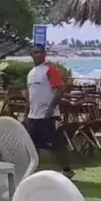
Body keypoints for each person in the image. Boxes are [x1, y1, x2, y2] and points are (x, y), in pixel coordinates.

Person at [24, 45, 75, 178]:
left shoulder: (50, 70)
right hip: (33, 117)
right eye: (35, 53)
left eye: (40, 52)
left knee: (57, 145)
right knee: (32, 146)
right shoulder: (31, 74)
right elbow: (30, 96)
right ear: (31, 55)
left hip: (49, 117)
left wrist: (50, 109)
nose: (38, 55)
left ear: (44, 54)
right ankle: (32, 170)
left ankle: (67, 170)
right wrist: (26, 115)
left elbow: (59, 90)